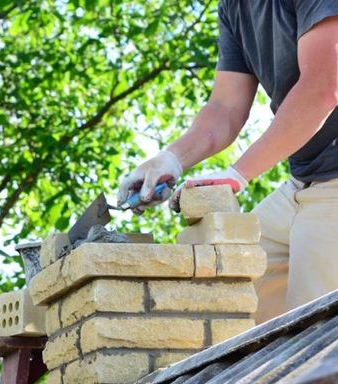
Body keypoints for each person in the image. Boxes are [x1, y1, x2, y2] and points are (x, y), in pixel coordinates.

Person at [118, 1, 338, 324]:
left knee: (314, 336)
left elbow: (323, 87)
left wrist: (238, 174)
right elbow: (225, 107)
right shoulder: (234, 6)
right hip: (304, 182)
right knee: (230, 294)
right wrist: (171, 159)